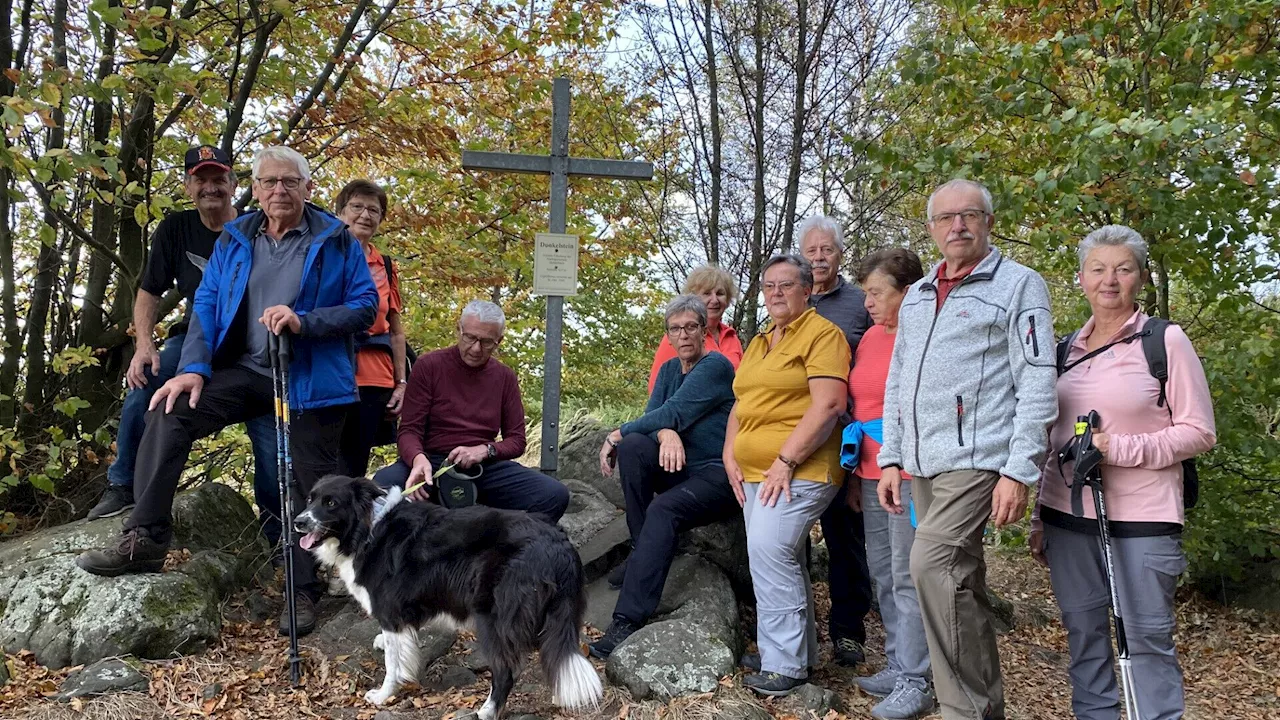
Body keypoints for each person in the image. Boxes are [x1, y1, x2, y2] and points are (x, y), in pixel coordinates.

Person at [77, 146, 379, 639]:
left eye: (289, 182)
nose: (279, 190)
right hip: (247, 368)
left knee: (307, 484)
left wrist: (305, 322)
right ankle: (145, 537)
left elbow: (365, 307)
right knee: (170, 408)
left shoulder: (337, 240)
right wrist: (192, 368)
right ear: (254, 190)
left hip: (310, 379)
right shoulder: (237, 237)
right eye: (269, 182)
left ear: (308, 188)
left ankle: (302, 589)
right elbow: (208, 305)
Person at [877, 178, 1057, 720]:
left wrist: (1018, 469)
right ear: (931, 229)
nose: (958, 226)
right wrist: (892, 455)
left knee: (930, 566)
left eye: (969, 215)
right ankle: (985, 708)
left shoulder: (1018, 285)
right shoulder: (919, 294)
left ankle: (961, 711)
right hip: (924, 465)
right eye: (946, 218)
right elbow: (898, 380)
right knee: (961, 586)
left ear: (988, 222)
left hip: (980, 458)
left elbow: (1039, 378)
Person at [1030, 225, 1215, 720]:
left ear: (1139, 277)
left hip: (1145, 517)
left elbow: (1199, 431)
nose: (1109, 279)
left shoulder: (1164, 341)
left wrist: (1118, 448)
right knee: (1084, 631)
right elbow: (1053, 441)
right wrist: (1036, 517)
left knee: (1147, 636)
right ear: (1081, 278)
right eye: (1098, 269)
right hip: (1067, 518)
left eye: (1123, 268)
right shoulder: (1064, 349)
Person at [88, 146, 282, 551]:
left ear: (233, 184)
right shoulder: (176, 229)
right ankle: (124, 484)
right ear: (188, 185)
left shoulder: (254, 229)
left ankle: (277, 542)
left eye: (218, 179)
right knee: (149, 380)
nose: (210, 187)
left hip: (251, 351)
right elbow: (148, 292)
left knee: (272, 446)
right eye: (201, 179)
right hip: (197, 339)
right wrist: (144, 344)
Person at [587, 295, 739, 659]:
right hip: (678, 468)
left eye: (691, 327)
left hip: (715, 475)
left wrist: (616, 433)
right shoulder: (671, 370)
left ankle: (626, 619)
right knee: (637, 446)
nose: (683, 335)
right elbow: (658, 416)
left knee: (663, 509)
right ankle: (644, 549)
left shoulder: (715, 366)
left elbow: (674, 410)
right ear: (668, 336)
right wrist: (665, 432)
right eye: (675, 328)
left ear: (705, 331)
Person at [725, 254, 850, 697]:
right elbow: (743, 402)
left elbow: (829, 405)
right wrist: (729, 454)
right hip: (756, 471)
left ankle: (786, 666)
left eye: (786, 285)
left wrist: (786, 460)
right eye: (768, 286)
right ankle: (796, 653)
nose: (775, 293)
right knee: (778, 559)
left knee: (770, 550)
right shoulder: (761, 341)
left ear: (807, 290)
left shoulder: (823, 335)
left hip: (803, 467)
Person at [372, 301, 570, 521]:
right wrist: (418, 459)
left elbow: (516, 440)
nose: (476, 349)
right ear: (459, 330)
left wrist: (484, 450)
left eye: (486, 342)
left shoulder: (504, 377)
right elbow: (409, 430)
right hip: (431, 463)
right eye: (470, 338)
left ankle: (511, 549)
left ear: (499, 342)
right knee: (381, 488)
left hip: (482, 467)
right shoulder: (429, 365)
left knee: (553, 494)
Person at [848, 249, 935, 720]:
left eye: (877, 293)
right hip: (867, 471)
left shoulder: (922, 337)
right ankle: (899, 661)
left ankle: (916, 679)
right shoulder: (870, 339)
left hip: (903, 472)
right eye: (865, 293)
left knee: (907, 574)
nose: (868, 303)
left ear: (908, 293)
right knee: (882, 571)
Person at [798, 214, 875, 667]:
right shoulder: (793, 302)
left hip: (845, 440)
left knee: (845, 539)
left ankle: (849, 632)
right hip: (795, 439)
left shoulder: (861, 304)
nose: (820, 257)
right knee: (790, 542)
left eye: (827, 249)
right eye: (812, 251)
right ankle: (799, 634)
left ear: (840, 253)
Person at [333, 180, 408, 477]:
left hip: (375, 378)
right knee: (319, 458)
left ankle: (349, 525)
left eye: (374, 210)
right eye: (357, 207)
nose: (365, 215)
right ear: (340, 212)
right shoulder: (323, 255)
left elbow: (396, 330)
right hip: (331, 370)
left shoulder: (385, 265)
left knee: (353, 465)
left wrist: (401, 383)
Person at [647, 264, 743, 394]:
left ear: (728, 299)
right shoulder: (679, 336)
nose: (714, 300)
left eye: (720, 293)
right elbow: (657, 387)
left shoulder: (732, 337)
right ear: (693, 299)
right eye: (706, 293)